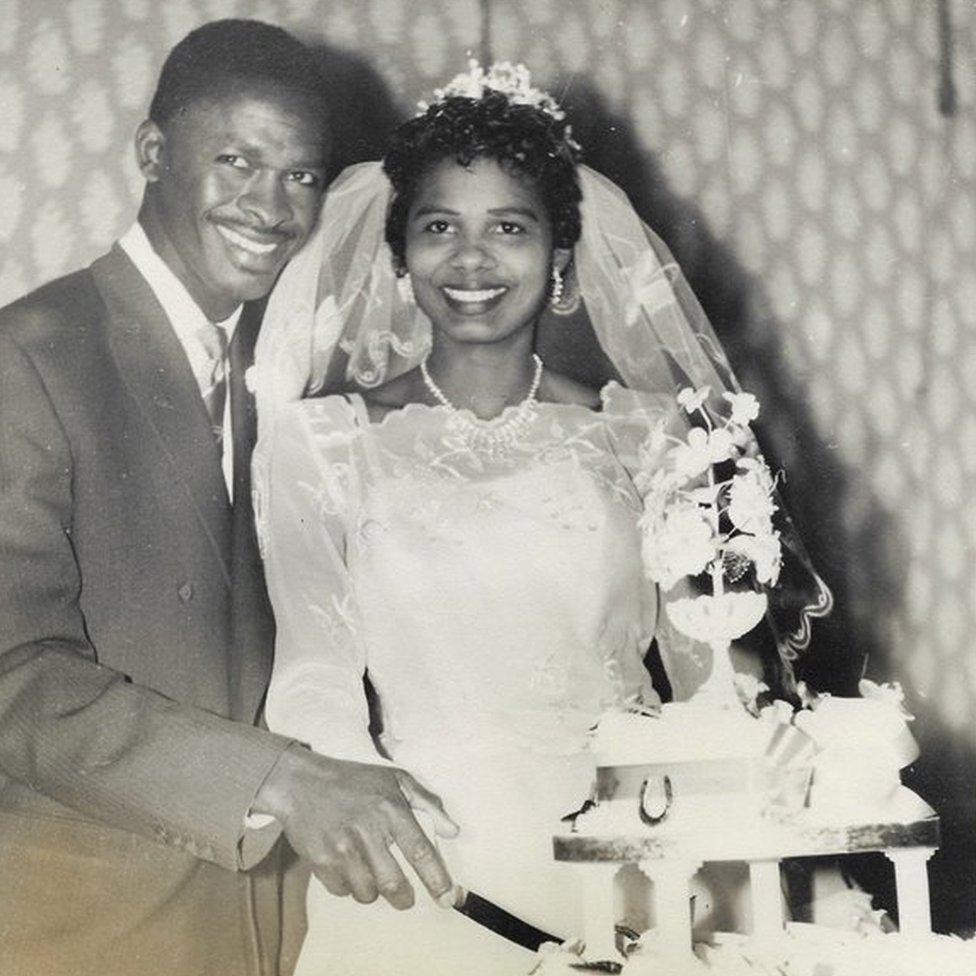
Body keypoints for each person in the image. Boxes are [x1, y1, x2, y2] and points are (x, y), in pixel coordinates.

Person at [252, 63, 833, 974]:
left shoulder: (644, 432)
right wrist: (364, 812)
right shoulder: (324, 441)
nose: (472, 261)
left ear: (560, 259)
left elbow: (704, 661)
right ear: (399, 257)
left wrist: (756, 736)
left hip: (632, 856)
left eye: (510, 229)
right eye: (440, 227)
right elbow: (313, 669)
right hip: (413, 860)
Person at [0, 19, 455, 976]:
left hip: (274, 921)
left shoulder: (288, 367)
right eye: (238, 161)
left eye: (302, 175)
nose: (274, 206)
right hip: (90, 920)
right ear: (154, 152)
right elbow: (14, 679)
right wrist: (280, 780)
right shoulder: (30, 355)